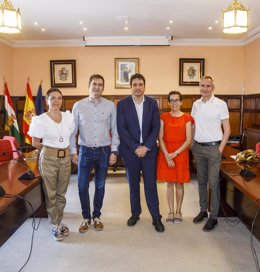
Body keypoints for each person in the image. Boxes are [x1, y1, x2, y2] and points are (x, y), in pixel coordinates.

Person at [70, 74, 119, 233]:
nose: (97, 87)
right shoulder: (78, 105)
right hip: (85, 151)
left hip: (104, 151)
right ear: (89, 85)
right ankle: (86, 217)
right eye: (94, 84)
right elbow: (73, 131)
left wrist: (114, 151)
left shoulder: (110, 106)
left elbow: (115, 130)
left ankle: (97, 216)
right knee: (82, 185)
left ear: (103, 87)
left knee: (100, 185)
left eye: (100, 84)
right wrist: (73, 151)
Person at [117, 73, 165, 233]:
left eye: (140, 84)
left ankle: (156, 217)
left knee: (151, 185)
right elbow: (121, 129)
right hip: (131, 152)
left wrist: (147, 147)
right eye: (135, 84)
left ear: (144, 86)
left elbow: (155, 128)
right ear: (130, 86)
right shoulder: (122, 104)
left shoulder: (152, 103)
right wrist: (135, 147)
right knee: (133, 185)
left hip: (149, 152)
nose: (137, 87)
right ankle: (135, 214)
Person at [28, 88, 75, 241]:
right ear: (47, 101)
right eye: (52, 98)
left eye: (59, 98)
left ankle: (59, 221)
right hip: (48, 159)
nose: (56, 101)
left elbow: (71, 136)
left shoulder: (68, 117)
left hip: (65, 158)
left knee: (61, 193)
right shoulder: (40, 119)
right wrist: (50, 151)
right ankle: (55, 224)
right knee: (51, 193)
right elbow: (35, 142)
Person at [191, 76, 231, 231]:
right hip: (198, 148)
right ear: (199, 87)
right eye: (202, 86)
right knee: (201, 180)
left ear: (213, 88)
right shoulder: (196, 104)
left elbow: (227, 129)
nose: (205, 88)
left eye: (208, 86)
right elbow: (193, 125)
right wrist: (192, 144)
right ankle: (203, 210)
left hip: (214, 148)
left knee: (213, 183)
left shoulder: (220, 104)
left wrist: (220, 148)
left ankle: (213, 216)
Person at [157, 91, 193, 224]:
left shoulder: (187, 118)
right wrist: (167, 155)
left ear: (181, 102)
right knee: (169, 183)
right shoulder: (163, 117)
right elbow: (160, 138)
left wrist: (175, 153)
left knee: (179, 183)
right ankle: (171, 211)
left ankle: (179, 211)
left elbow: (188, 139)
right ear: (168, 102)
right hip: (166, 152)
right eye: (171, 100)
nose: (174, 103)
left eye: (177, 100)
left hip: (181, 153)